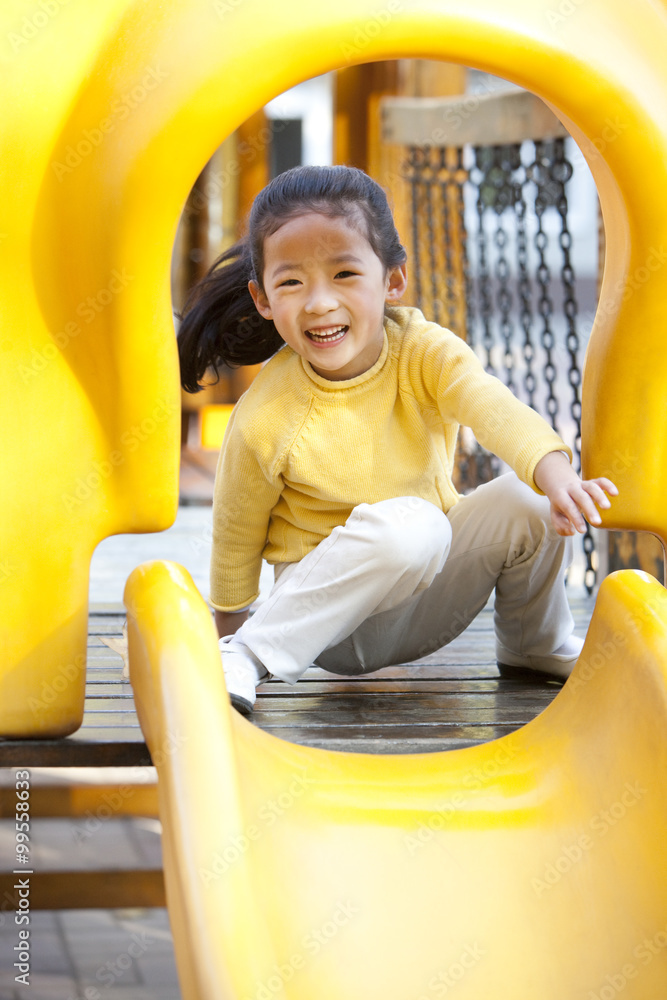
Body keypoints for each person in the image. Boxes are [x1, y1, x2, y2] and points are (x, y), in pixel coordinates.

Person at [177, 165, 617, 716]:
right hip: (330, 625)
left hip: (429, 595)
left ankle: (535, 644)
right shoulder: (268, 412)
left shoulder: (424, 353)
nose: (318, 302)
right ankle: (250, 652)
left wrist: (555, 472)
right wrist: (228, 639)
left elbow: (488, 403)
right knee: (415, 525)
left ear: (392, 280)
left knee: (528, 498)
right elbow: (236, 529)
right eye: (291, 282)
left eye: (344, 274)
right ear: (263, 298)